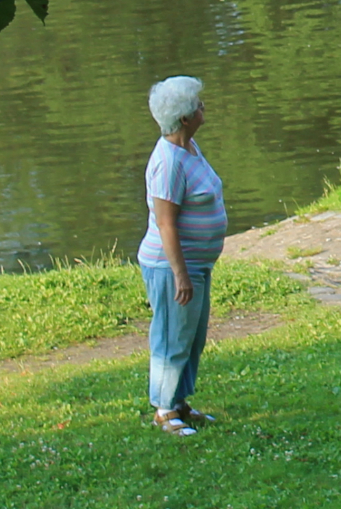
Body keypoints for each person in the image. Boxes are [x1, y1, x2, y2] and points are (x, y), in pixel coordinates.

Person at [139, 75, 224, 435]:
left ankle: (179, 403)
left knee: (193, 336)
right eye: (198, 105)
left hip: (197, 262)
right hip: (172, 265)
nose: (204, 107)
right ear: (185, 118)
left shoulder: (189, 147)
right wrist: (180, 274)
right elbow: (165, 224)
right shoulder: (168, 161)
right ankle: (163, 410)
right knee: (173, 336)